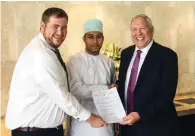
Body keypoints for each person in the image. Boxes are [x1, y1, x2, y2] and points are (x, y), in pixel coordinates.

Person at [5, 7, 107, 136]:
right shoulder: (40, 54)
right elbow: (61, 96)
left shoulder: (48, 50)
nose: (60, 32)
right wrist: (90, 117)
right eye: (55, 26)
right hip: (35, 133)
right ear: (42, 26)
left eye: (64, 28)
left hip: (47, 131)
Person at [117, 14, 180, 136]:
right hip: (128, 128)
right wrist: (115, 87)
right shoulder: (126, 54)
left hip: (156, 128)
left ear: (151, 30)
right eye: (134, 29)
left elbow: (166, 95)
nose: (138, 33)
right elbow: (125, 84)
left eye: (142, 28)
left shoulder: (167, 56)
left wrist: (140, 114)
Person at [67, 19, 116, 136]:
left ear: (103, 38)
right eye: (90, 36)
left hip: (106, 126)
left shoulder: (109, 62)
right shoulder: (74, 61)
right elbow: (75, 90)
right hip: (81, 125)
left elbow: (113, 93)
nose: (95, 41)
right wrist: (106, 88)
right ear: (84, 39)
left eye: (99, 36)